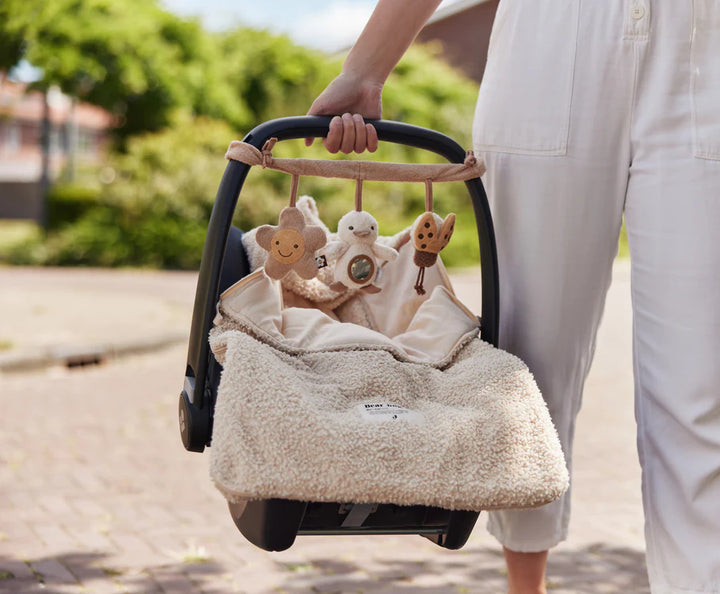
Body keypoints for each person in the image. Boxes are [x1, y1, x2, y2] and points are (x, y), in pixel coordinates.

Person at [305, 1, 720, 593]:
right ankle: (526, 588)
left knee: (701, 387)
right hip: (552, 47)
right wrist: (365, 69)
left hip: (704, 48)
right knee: (532, 368)